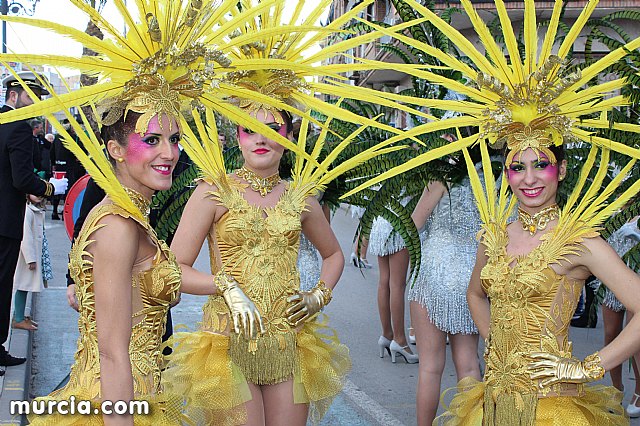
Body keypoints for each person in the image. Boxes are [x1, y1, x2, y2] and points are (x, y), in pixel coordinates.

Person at [0, 71, 67, 371]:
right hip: (5, 220)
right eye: (30, 96)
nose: (35, 103)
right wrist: (51, 188)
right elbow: (22, 178)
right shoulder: (17, 128)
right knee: (3, 285)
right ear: (13, 96)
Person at [409, 177, 482, 424]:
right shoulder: (498, 174)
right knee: (469, 363)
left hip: (434, 270)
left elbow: (413, 224)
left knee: (429, 367)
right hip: (473, 275)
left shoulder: (443, 174)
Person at [595, 219, 640, 417]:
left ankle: (639, 391)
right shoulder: (616, 211)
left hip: (635, 281)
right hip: (611, 283)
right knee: (611, 334)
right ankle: (616, 389)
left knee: (634, 341)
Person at [369, 196, 418, 363]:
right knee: (397, 284)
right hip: (399, 223)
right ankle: (400, 339)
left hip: (380, 219)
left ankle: (387, 334)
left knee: (385, 281)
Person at [12, 196, 46, 331]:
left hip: (31, 256)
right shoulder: (27, 211)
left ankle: (20, 316)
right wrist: (30, 258)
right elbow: (25, 237)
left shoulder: (33, 210)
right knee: (23, 285)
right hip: (26, 259)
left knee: (25, 285)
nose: (38, 195)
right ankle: (18, 318)